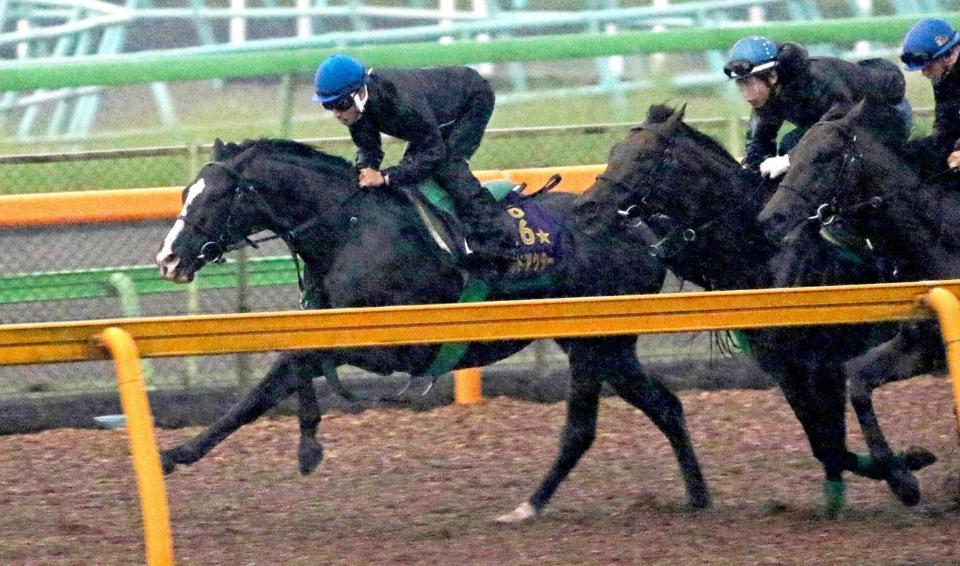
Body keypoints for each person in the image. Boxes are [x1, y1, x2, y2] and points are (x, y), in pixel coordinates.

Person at [313, 54, 514, 272]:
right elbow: (369, 149)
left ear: (360, 93)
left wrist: (385, 176)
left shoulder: (399, 101)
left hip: (471, 98)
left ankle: (499, 243)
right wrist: (363, 170)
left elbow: (434, 151)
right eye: (328, 106)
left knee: (449, 168)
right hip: (433, 115)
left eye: (341, 104)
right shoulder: (358, 111)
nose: (337, 114)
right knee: (410, 169)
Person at [723, 36, 909, 179]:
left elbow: (837, 127)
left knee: (793, 146)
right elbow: (759, 143)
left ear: (771, 77)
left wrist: (790, 158)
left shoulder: (817, 80)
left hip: (886, 111)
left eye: (749, 84)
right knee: (791, 146)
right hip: (840, 121)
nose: (745, 94)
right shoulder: (768, 94)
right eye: (740, 85)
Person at [899, 18, 960, 171]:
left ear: (951, 55)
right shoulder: (945, 78)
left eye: (929, 67)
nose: (924, 73)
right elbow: (945, 134)